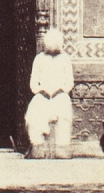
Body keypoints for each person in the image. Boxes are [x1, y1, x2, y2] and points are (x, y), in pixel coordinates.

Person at [24, 27, 75, 158]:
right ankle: (38, 146)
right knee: (33, 111)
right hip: (42, 95)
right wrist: (41, 91)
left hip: (60, 95)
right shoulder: (39, 59)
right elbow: (33, 83)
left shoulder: (65, 59)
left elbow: (69, 82)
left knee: (64, 112)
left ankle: (61, 148)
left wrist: (60, 91)